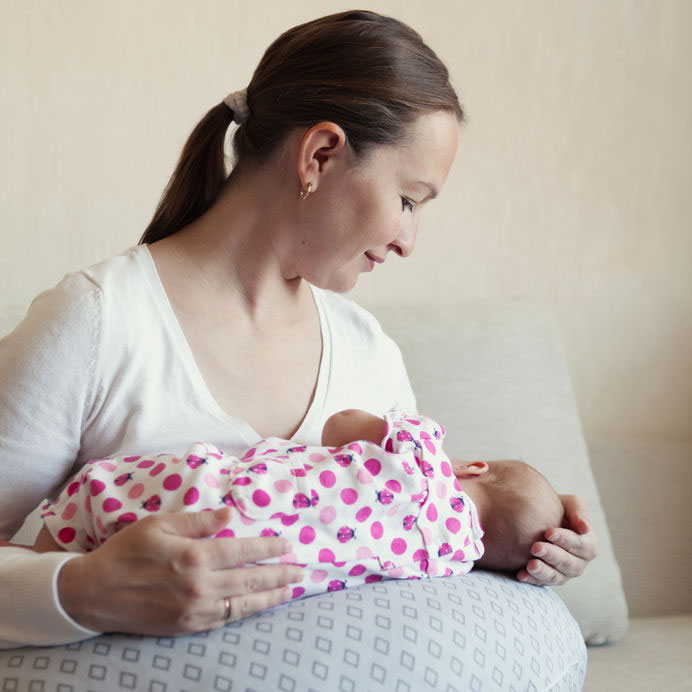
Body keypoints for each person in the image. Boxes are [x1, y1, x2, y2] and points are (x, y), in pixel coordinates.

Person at [0, 10, 597, 648]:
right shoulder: (95, 323)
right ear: (319, 154)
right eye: (407, 200)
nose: (408, 242)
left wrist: (523, 542)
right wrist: (84, 590)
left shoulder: (370, 356)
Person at [34, 409, 564, 599]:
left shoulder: (424, 451)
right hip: (247, 562)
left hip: (209, 491)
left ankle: (50, 555)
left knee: (92, 499)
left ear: (475, 468)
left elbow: (339, 426)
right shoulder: (446, 563)